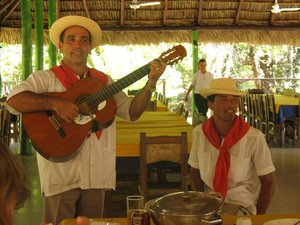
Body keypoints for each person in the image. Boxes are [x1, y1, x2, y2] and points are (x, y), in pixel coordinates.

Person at [6, 15, 166, 225]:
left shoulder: (104, 81)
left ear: (90, 46)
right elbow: (14, 101)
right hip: (60, 174)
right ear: (60, 45)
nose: (77, 45)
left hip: (96, 174)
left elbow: (132, 113)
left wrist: (150, 84)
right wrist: (56, 104)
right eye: (71, 39)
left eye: (83, 40)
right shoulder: (44, 79)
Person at [188, 78, 275, 215]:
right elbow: (195, 172)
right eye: (223, 99)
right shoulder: (200, 133)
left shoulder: (254, 137)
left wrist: (258, 217)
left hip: (242, 205)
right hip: (209, 204)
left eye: (234, 100)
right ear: (210, 104)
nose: (231, 105)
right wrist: (202, 201)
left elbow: (268, 181)